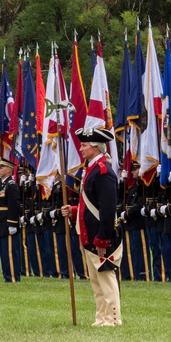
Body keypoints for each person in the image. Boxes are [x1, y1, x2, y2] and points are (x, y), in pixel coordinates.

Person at [62, 127, 122, 326]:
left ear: (96, 148)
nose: (81, 148)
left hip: (100, 234)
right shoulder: (93, 169)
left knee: (105, 277)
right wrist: (73, 210)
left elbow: (107, 209)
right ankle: (101, 317)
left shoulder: (103, 171)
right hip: (89, 233)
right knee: (96, 281)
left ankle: (113, 318)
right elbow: (91, 204)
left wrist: (103, 238)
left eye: (85, 145)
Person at [0, 157, 22, 283]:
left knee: (10, 251)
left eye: (1, 167)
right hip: (1, 221)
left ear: (9, 170)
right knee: (4, 252)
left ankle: (13, 277)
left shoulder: (11, 185)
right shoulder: (3, 184)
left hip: (8, 222)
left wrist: (12, 223)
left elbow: (14, 205)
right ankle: (7, 276)